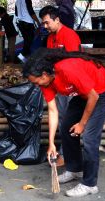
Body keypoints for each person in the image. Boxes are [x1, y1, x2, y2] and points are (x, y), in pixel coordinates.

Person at [23, 48, 105, 197]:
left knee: (89, 137)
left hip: (103, 91)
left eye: (36, 82)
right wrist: (51, 144)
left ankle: (90, 184)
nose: (37, 85)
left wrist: (82, 124)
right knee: (66, 126)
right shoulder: (45, 83)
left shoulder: (67, 69)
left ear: (44, 74)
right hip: (83, 94)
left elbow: (93, 97)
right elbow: (53, 111)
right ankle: (75, 169)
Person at [39, 5, 81, 167]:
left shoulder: (70, 36)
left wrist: (75, 90)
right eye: (43, 23)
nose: (45, 26)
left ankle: (66, 155)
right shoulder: (50, 38)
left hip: (72, 86)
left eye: (47, 23)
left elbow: (76, 63)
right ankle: (63, 152)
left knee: (69, 120)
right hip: (58, 84)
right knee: (63, 119)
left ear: (57, 20)